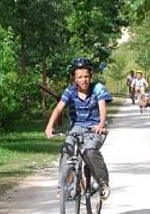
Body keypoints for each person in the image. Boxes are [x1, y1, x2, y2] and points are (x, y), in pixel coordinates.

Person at [44, 57, 113, 200]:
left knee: (90, 150)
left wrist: (101, 124)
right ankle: (63, 187)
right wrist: (49, 126)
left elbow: (102, 106)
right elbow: (58, 109)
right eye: (80, 77)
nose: (84, 80)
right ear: (74, 79)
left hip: (95, 127)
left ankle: (102, 182)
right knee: (66, 150)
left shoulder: (98, 88)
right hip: (77, 127)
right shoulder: (70, 91)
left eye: (86, 76)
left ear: (91, 76)